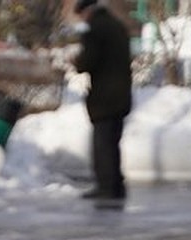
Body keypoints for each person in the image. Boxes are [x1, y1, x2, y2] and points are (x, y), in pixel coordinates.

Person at [72, 0, 132, 208]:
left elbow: (87, 62)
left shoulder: (96, 29)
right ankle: (116, 186)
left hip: (104, 98)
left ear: (87, 11)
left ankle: (106, 187)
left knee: (103, 145)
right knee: (113, 144)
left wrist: (77, 60)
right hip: (121, 96)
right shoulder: (116, 25)